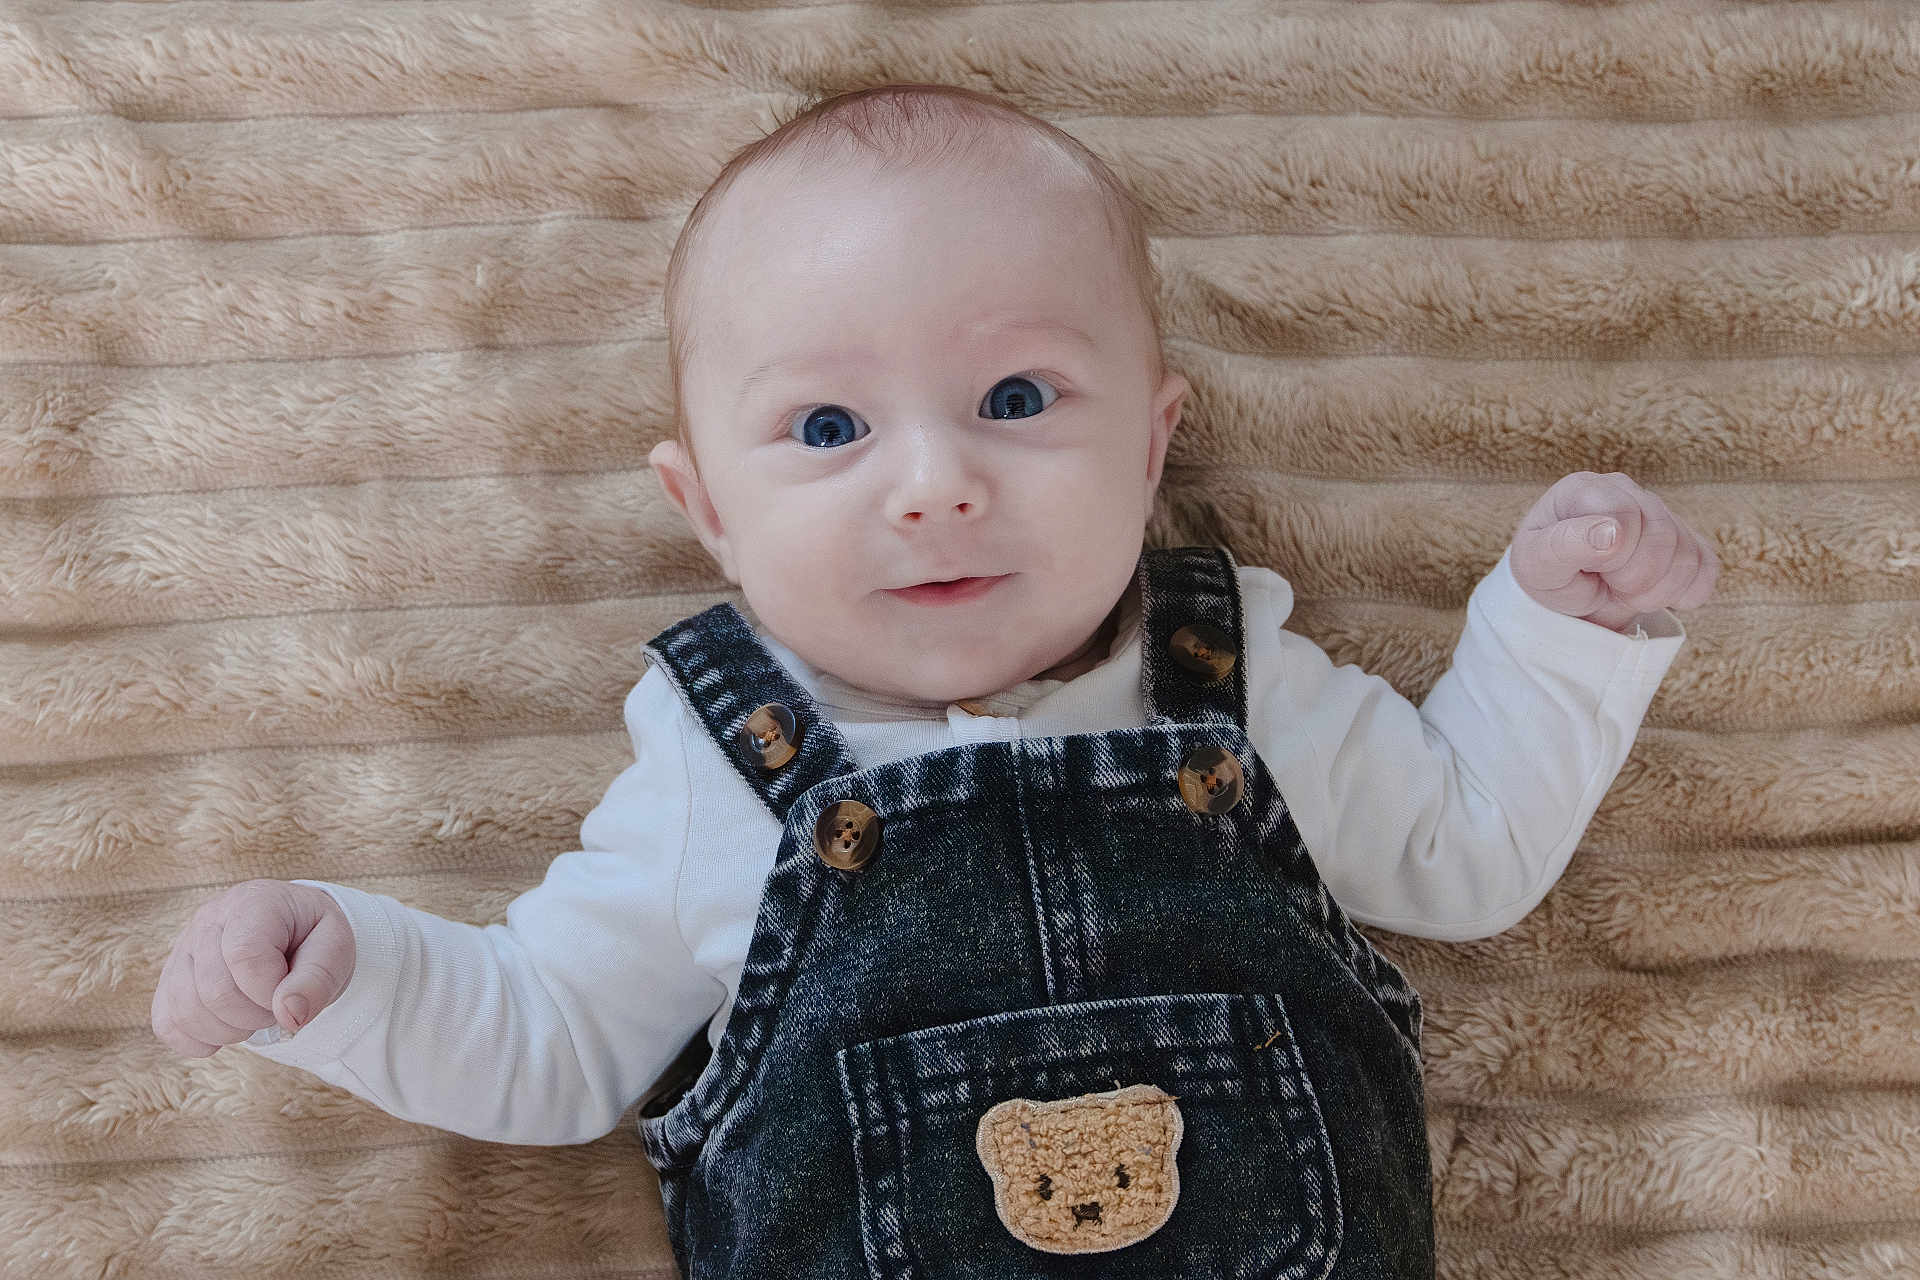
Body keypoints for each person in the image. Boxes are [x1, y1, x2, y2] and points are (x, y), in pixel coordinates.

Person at [150, 84, 1717, 1277]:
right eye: (830, 429)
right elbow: (554, 1035)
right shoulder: (719, 773)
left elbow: (1467, 849)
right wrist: (346, 975)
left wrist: (1556, 630)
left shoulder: (1235, 693)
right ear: (707, 511)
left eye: (1016, 398)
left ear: (1154, 443)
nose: (933, 486)